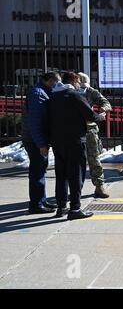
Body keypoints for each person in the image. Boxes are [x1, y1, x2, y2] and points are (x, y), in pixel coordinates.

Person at [48, 72, 106, 220]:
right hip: (74, 140)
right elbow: (90, 115)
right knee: (75, 175)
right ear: (74, 81)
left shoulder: (53, 96)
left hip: (57, 141)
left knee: (61, 175)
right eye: (78, 82)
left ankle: (61, 207)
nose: (79, 85)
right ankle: (75, 208)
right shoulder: (74, 95)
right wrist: (101, 117)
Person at [22, 72, 61, 214]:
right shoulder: (38, 94)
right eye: (57, 82)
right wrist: (41, 144)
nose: (58, 85)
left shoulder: (42, 92)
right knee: (37, 173)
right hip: (35, 141)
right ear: (50, 80)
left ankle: (41, 200)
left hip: (36, 139)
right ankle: (36, 205)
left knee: (40, 171)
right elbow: (34, 122)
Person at [77, 72, 112, 198]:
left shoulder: (91, 92)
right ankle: (76, 189)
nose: (82, 88)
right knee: (75, 161)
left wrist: (104, 108)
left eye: (84, 85)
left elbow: (106, 102)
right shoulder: (70, 92)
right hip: (75, 129)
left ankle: (99, 185)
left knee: (94, 158)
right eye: (80, 85)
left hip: (90, 128)